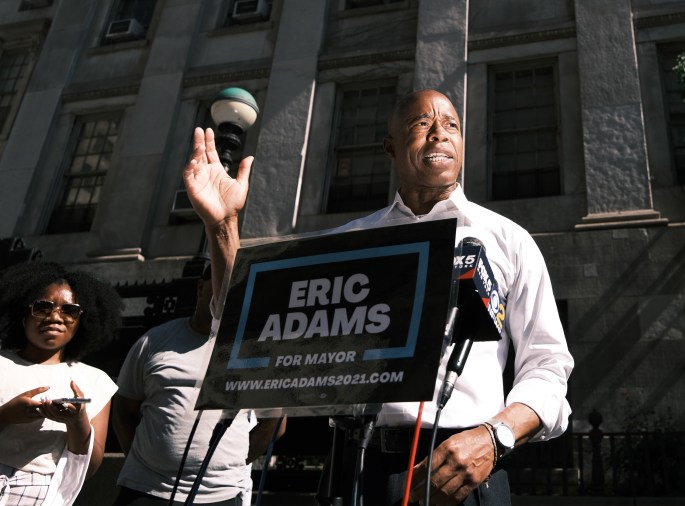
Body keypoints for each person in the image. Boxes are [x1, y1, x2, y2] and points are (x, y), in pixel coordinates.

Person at [182, 89, 574, 505]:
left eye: (452, 125)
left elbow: (548, 366)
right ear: (391, 146)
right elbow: (244, 321)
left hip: (462, 468)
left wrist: (496, 437)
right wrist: (222, 224)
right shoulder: (351, 243)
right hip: (355, 469)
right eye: (421, 123)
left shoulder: (508, 240)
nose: (440, 134)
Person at [112, 263, 286, 506]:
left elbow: (274, 421)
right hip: (146, 489)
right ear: (201, 286)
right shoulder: (153, 341)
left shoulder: (255, 351)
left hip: (220, 494)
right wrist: (145, 459)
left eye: (235, 291)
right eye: (219, 287)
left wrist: (229, 464)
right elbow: (123, 410)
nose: (226, 297)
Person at [0, 261, 122, 506]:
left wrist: (77, 422)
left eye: (70, 310)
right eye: (43, 306)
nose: (55, 316)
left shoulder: (95, 381)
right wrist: (6, 415)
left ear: (81, 322)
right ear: (23, 313)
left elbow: (90, 466)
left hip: (40, 489)